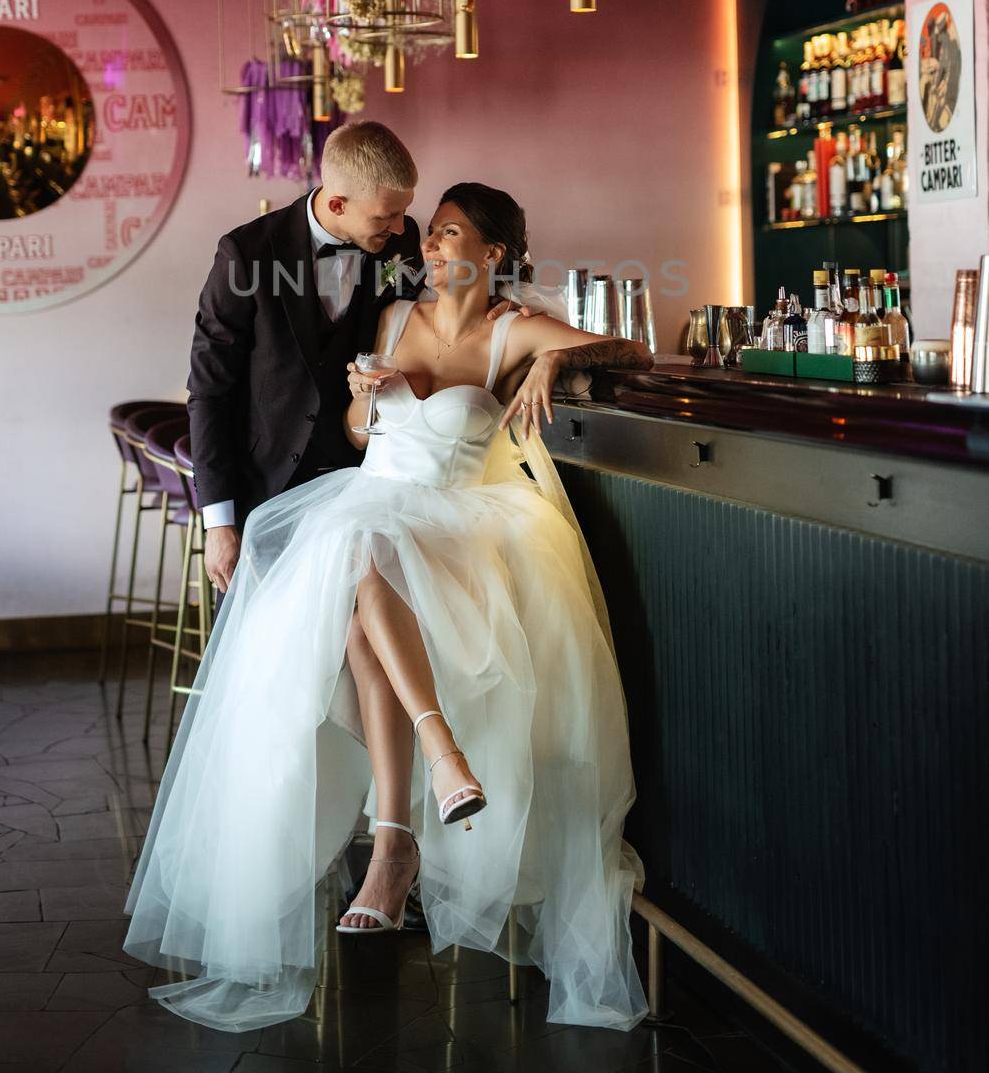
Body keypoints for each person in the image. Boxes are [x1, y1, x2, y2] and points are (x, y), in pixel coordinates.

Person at [124, 181, 653, 1034]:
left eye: (453, 237)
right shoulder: (392, 319)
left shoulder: (513, 328)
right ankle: (431, 776)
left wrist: (558, 360)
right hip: (373, 506)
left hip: (458, 521)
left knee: (361, 569)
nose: (435, 249)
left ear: (495, 254)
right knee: (360, 577)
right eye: (433, 235)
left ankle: (401, 828)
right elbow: (362, 434)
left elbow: (635, 351)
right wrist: (366, 397)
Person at [187, 121, 515, 620]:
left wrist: (509, 305)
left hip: (364, 496)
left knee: (358, 657)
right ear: (337, 204)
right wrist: (219, 523)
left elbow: (447, 308)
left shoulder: (400, 247)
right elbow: (210, 392)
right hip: (266, 490)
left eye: (407, 210)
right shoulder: (247, 254)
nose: (405, 227)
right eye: (388, 215)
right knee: (269, 657)